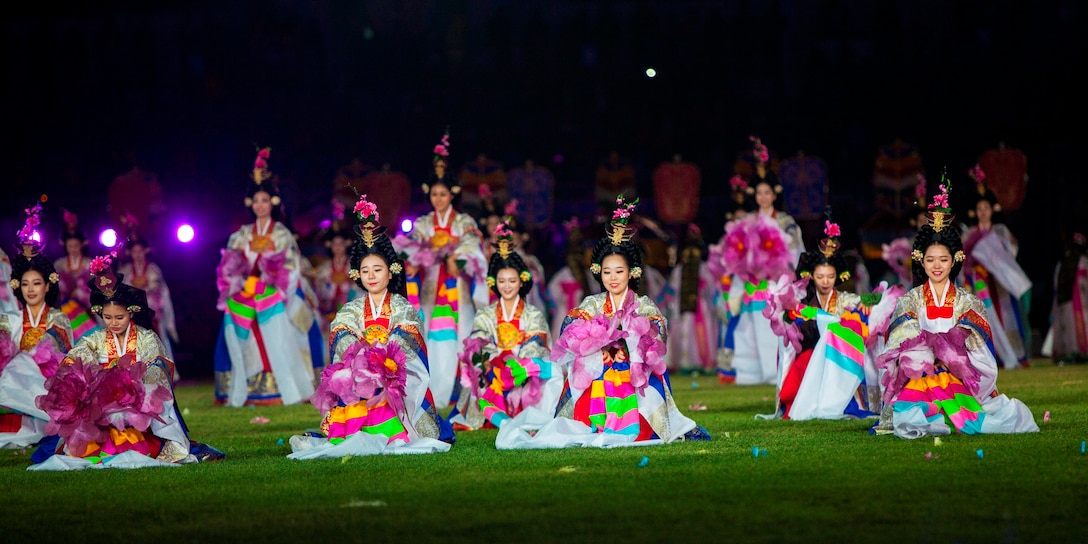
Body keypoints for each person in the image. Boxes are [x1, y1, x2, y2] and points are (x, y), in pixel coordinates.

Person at [496, 196, 710, 449]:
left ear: (633, 273)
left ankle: (641, 422)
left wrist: (632, 341)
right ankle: (594, 422)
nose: (613, 278)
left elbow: (658, 333)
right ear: (599, 272)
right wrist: (595, 341)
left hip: (633, 374)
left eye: (619, 271)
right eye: (607, 272)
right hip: (597, 372)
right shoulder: (592, 303)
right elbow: (570, 329)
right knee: (583, 370)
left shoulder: (643, 304)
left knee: (647, 377)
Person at [871, 176, 1038, 438]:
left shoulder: (967, 301)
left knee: (960, 418)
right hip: (919, 374)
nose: (937, 266)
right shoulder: (910, 300)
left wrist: (949, 356)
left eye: (943, 259)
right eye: (930, 259)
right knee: (914, 416)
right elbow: (899, 343)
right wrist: (927, 355)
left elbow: (980, 352)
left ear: (954, 261)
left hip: (955, 376)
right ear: (921, 262)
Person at [288, 195, 454, 458]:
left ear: (391, 271)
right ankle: (357, 427)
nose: (372, 276)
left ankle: (394, 427)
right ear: (358, 275)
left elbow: (408, 339)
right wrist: (363, 362)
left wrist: (381, 362)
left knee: (385, 381)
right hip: (362, 376)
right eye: (365, 271)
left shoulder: (403, 307)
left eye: (378, 270)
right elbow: (341, 336)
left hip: (396, 376)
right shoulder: (351, 310)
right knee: (347, 378)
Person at [30, 249, 225, 469]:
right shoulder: (95, 339)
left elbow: (158, 366)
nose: (113, 323)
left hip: (137, 401)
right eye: (107, 317)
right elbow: (77, 357)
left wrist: (135, 385)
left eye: (119, 317)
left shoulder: (146, 338)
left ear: (131, 312)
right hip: (102, 406)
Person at [758, 212, 900, 420]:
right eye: (820, 276)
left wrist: (867, 303)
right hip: (810, 356)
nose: (825, 281)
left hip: (838, 359)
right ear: (810, 276)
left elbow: (875, 299)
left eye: (830, 276)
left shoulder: (845, 299)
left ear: (838, 276)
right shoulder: (802, 302)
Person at [213, 146, 323, 407]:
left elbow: (291, 266)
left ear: (273, 202)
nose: (261, 205)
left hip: (276, 294)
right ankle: (244, 387)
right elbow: (228, 268)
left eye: (265, 200)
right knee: (233, 318)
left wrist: (270, 285)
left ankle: (294, 384)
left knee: (289, 323)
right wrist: (240, 284)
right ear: (250, 204)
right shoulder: (240, 235)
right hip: (247, 293)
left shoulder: (282, 234)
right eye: (256, 200)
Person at [392, 129, 488, 408]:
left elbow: (474, 253)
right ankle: (437, 394)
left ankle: (464, 393)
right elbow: (408, 248)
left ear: (452, 194)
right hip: (432, 292)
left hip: (456, 290)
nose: (438, 198)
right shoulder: (422, 224)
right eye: (434, 193)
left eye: (443, 193)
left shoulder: (464, 222)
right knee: (436, 339)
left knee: (461, 339)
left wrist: (456, 258)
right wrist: (419, 258)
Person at [448, 218, 563, 431]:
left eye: (512, 281)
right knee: (479, 373)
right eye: (502, 281)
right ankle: (498, 416)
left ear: (522, 280)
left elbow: (537, 344)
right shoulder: (485, 314)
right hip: (494, 372)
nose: (507, 286)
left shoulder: (532, 314)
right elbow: (478, 343)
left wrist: (520, 364)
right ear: (493, 282)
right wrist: (495, 361)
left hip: (523, 372)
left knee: (552, 372)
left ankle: (520, 415)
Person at [711, 176, 801, 385]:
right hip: (751, 282)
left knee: (773, 327)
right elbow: (733, 249)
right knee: (749, 328)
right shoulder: (748, 222)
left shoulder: (785, 222)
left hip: (775, 280)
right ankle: (750, 373)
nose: (763, 197)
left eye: (767, 192)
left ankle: (775, 371)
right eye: (759, 193)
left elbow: (794, 250)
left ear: (775, 195)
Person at [0, 201, 72, 451]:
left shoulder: (57, 319)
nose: (31, 289)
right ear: (18, 286)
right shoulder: (9, 318)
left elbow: (60, 354)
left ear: (47, 286)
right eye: (26, 284)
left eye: (37, 283)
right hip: (14, 385)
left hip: (45, 385)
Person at [961, 165, 1031, 369]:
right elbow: (964, 259)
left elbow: (1011, 253)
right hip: (980, 283)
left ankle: (1016, 355)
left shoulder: (1000, 231)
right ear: (976, 212)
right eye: (980, 209)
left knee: (1008, 316)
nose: (983, 212)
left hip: (999, 282)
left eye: (987, 208)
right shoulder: (969, 234)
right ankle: (994, 356)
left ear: (992, 210)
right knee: (985, 317)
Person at [117, 216, 180, 378]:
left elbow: (158, 287)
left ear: (146, 250)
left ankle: (167, 373)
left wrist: (146, 286)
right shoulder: (125, 270)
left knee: (160, 341)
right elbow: (121, 290)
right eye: (134, 251)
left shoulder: (153, 269)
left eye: (140, 251)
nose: (137, 254)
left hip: (152, 313)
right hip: (133, 314)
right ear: (129, 252)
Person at [661, 223, 720, 374]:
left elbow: (712, 289)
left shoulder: (703, 268)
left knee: (699, 331)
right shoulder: (680, 270)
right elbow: (671, 291)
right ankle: (686, 363)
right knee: (686, 330)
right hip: (683, 306)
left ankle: (701, 362)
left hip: (700, 306)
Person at [313, 199, 364, 337]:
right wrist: (328, 284)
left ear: (346, 244)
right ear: (330, 245)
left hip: (350, 306)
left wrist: (347, 283)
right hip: (330, 308)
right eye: (335, 244)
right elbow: (319, 284)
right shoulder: (325, 266)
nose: (338, 247)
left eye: (341, 243)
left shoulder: (354, 264)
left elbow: (361, 284)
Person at [545, 218, 600, 341]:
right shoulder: (561, 276)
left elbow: (551, 300)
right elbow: (551, 300)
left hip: (583, 321)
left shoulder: (589, 277)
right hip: (564, 318)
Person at [52, 209, 101, 341]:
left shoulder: (90, 263)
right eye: (70, 245)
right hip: (66, 308)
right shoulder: (59, 264)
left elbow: (98, 287)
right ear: (65, 246)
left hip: (87, 307)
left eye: (76, 245)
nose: (73, 249)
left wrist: (80, 292)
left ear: (81, 245)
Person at [1043, 231, 1088, 363]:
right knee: (1067, 328)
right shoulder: (1062, 265)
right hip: (1066, 302)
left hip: (1081, 303)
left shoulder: (1083, 262)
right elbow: (1057, 286)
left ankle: (1081, 352)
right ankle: (1071, 353)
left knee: (1080, 327)